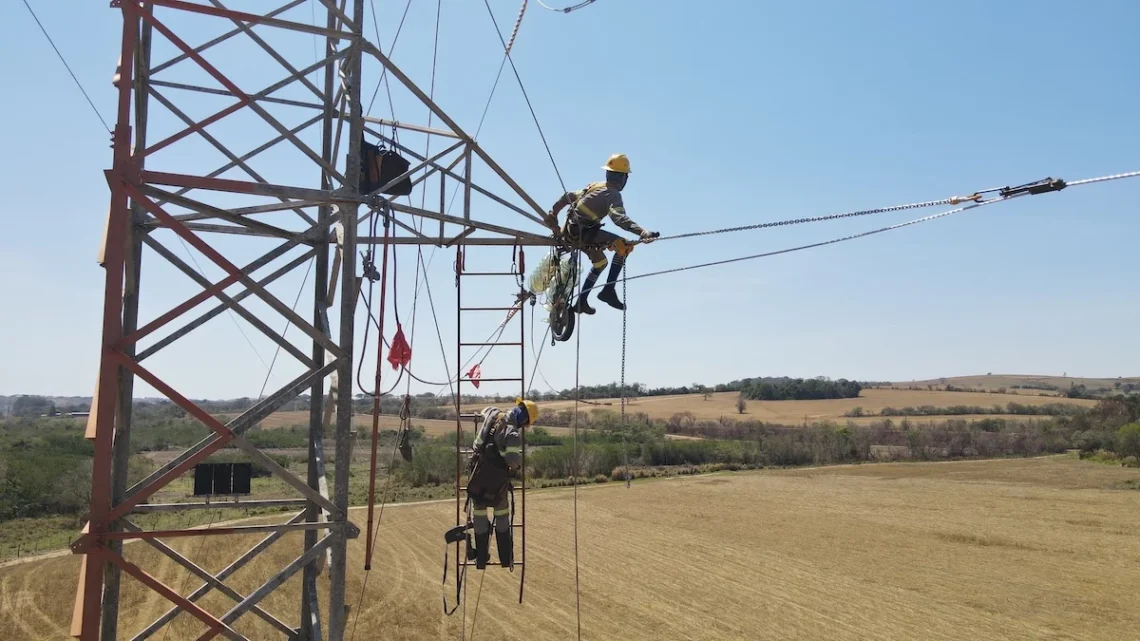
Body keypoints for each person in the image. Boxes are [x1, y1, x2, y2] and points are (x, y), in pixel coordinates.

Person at [547, 154, 658, 315]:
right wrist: (642, 232)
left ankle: (581, 301)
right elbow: (619, 218)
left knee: (600, 263)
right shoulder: (612, 194)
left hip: (572, 232)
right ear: (623, 178)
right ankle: (608, 290)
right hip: (582, 234)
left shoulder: (595, 186)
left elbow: (568, 197)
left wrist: (553, 213)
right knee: (623, 246)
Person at [464, 398, 537, 569]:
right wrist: (517, 466)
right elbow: (512, 460)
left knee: (479, 515)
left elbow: (483, 416)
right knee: (502, 516)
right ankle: (506, 559)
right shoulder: (512, 433)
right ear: (525, 419)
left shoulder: (493, 413)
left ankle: (480, 559)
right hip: (497, 484)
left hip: (477, 477)